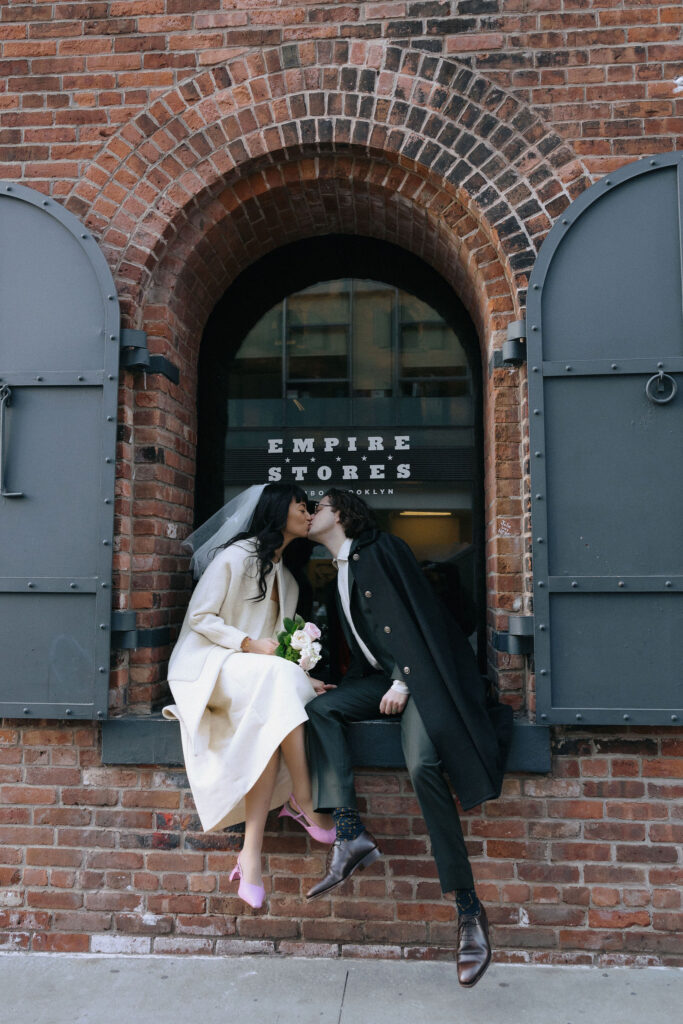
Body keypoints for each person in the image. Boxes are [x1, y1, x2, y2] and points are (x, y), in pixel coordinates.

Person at [305, 489, 513, 987]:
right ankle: (351, 831)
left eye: (320, 505)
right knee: (321, 710)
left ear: (343, 513)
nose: (312, 513)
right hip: (380, 681)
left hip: (426, 679)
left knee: (421, 764)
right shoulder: (338, 570)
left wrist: (402, 679)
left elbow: (417, 622)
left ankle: (468, 909)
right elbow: (364, 640)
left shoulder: (383, 549)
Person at [163, 483, 335, 911]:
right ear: (279, 512)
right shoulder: (235, 557)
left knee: (270, 721)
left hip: (257, 676)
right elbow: (200, 618)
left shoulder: (287, 579)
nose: (310, 512)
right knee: (277, 687)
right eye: (302, 506)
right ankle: (305, 797)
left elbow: (283, 650)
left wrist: (302, 677)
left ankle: (250, 854)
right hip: (210, 665)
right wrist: (246, 643)